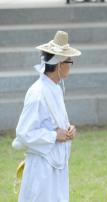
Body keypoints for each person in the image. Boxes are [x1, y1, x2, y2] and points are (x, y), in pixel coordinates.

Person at [12, 30, 81, 202]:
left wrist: (68, 130)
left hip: (55, 163)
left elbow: (53, 122)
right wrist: (54, 135)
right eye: (69, 61)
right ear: (59, 65)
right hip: (42, 166)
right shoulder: (38, 93)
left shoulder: (55, 87)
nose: (71, 65)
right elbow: (23, 133)